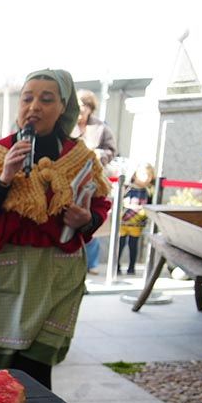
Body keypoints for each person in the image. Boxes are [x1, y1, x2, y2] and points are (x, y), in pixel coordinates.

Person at [0, 69, 112, 389]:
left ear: (63, 108)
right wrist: (4, 178)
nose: (34, 107)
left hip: (55, 281)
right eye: (27, 98)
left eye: (46, 99)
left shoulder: (80, 157)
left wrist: (86, 220)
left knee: (35, 378)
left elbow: (98, 203)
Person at [76, 89, 116, 274]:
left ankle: (90, 264)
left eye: (85, 106)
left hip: (94, 179)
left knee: (92, 218)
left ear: (91, 109)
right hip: (72, 180)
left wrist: (99, 155)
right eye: (79, 106)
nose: (81, 110)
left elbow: (111, 150)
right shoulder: (68, 126)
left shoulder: (100, 127)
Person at [117, 163, 154, 276]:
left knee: (133, 245)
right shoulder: (127, 187)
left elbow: (150, 206)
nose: (145, 178)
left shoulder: (149, 191)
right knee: (120, 244)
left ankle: (131, 267)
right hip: (123, 222)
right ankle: (116, 265)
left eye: (148, 175)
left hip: (137, 223)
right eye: (143, 174)